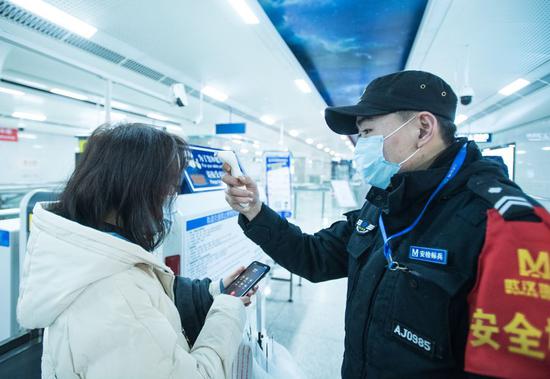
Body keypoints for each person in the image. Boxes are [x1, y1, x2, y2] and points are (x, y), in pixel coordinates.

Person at [223, 71, 545, 378]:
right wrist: (255, 210)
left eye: (367, 132)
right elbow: (314, 255)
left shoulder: (504, 229)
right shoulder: (383, 202)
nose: (361, 148)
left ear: (422, 129)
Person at [17, 123, 255, 379]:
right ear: (138, 190)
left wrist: (215, 291)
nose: (167, 199)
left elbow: (151, 299)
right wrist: (227, 310)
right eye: (167, 188)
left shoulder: (86, 250)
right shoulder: (117, 298)